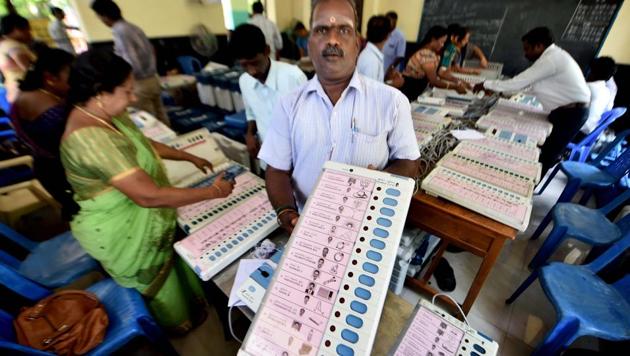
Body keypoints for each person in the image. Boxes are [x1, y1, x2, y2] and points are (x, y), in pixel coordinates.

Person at [60, 49, 236, 333]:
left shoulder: (106, 114)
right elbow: (148, 196)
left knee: (175, 263)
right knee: (156, 281)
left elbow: (144, 145)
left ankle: (192, 308)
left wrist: (188, 156)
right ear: (100, 92)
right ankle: (175, 325)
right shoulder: (89, 140)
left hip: (146, 217)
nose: (133, 98)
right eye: (127, 91)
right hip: (121, 230)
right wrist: (214, 192)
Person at [258, 0, 420, 233]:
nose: (332, 40)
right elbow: (276, 169)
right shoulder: (289, 104)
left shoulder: (392, 102)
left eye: (344, 30)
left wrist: (380, 182)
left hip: (367, 227)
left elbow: (409, 162)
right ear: (309, 43)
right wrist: (286, 212)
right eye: (322, 30)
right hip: (306, 225)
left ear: (357, 43)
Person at [474, 27, 590, 175]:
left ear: (539, 46)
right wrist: (499, 89)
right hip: (566, 111)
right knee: (545, 150)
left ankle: (528, 185)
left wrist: (485, 84)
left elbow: (519, 82)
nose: (525, 54)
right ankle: (527, 177)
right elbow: (529, 86)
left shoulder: (551, 59)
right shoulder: (552, 57)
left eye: (527, 49)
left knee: (548, 153)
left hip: (572, 113)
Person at [10, 48, 79, 220]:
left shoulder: (32, 93)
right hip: (60, 172)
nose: (77, 81)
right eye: (72, 75)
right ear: (50, 78)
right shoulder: (44, 103)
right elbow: (72, 140)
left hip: (49, 166)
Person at [229, 24, 307, 167]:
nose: (251, 71)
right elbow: (251, 112)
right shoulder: (244, 82)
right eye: (244, 66)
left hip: (298, 160)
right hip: (269, 159)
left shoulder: (293, 77)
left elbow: (310, 123)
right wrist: (250, 134)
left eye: (254, 63)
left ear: (267, 50)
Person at [90, 0, 170, 125]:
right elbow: (151, 50)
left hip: (139, 83)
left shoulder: (120, 31)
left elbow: (130, 62)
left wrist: (127, 87)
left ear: (104, 16)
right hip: (153, 79)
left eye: (99, 17)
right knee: (161, 116)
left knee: (148, 123)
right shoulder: (133, 27)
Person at [400, 26, 468, 101]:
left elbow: (439, 74)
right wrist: (455, 87)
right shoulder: (426, 54)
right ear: (433, 39)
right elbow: (433, 80)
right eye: (441, 42)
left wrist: (457, 81)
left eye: (444, 43)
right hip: (409, 91)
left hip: (414, 90)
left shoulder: (431, 53)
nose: (442, 45)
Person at [576, 56, 617, 139]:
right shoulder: (606, 91)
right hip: (589, 133)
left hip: (577, 132)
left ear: (592, 72)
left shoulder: (587, 87)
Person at [0, 14, 36, 103]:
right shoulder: (13, 45)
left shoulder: (3, 45)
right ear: (17, 29)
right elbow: (29, 70)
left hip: (14, 95)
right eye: (27, 29)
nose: (29, 33)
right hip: (28, 95)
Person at [357, 15, 391, 82]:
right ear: (387, 36)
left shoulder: (370, 54)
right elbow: (370, 91)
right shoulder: (372, 61)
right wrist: (393, 85)